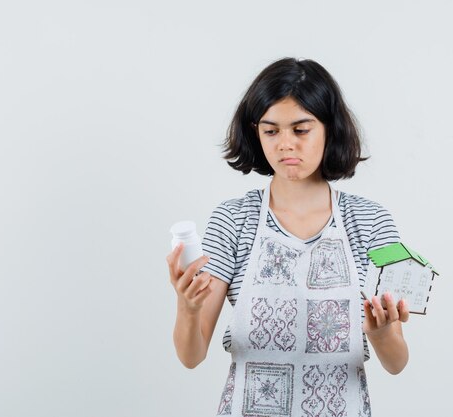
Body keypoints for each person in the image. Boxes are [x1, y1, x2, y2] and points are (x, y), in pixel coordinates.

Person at [167, 57, 409, 416]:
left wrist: (382, 331)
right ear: (255, 132)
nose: (285, 144)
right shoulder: (232, 220)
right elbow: (192, 355)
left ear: (330, 129)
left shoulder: (372, 222)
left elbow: (397, 362)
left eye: (301, 130)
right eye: (271, 130)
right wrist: (187, 307)